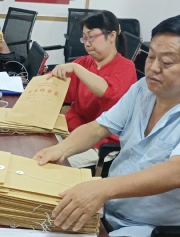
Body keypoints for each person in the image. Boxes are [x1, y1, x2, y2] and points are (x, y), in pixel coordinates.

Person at [34, 15, 180, 237]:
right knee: (36, 230)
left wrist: (102, 188)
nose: (153, 68)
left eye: (166, 62)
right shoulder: (143, 90)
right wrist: (60, 149)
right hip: (110, 208)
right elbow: (99, 127)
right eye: (151, 57)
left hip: (153, 233)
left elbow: (178, 172)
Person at [49, 10, 137, 168]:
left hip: (98, 144)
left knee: (51, 165)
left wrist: (76, 68)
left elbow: (108, 92)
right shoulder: (85, 62)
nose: (87, 43)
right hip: (70, 132)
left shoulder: (126, 67)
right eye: (84, 38)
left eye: (91, 37)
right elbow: (64, 93)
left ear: (111, 36)